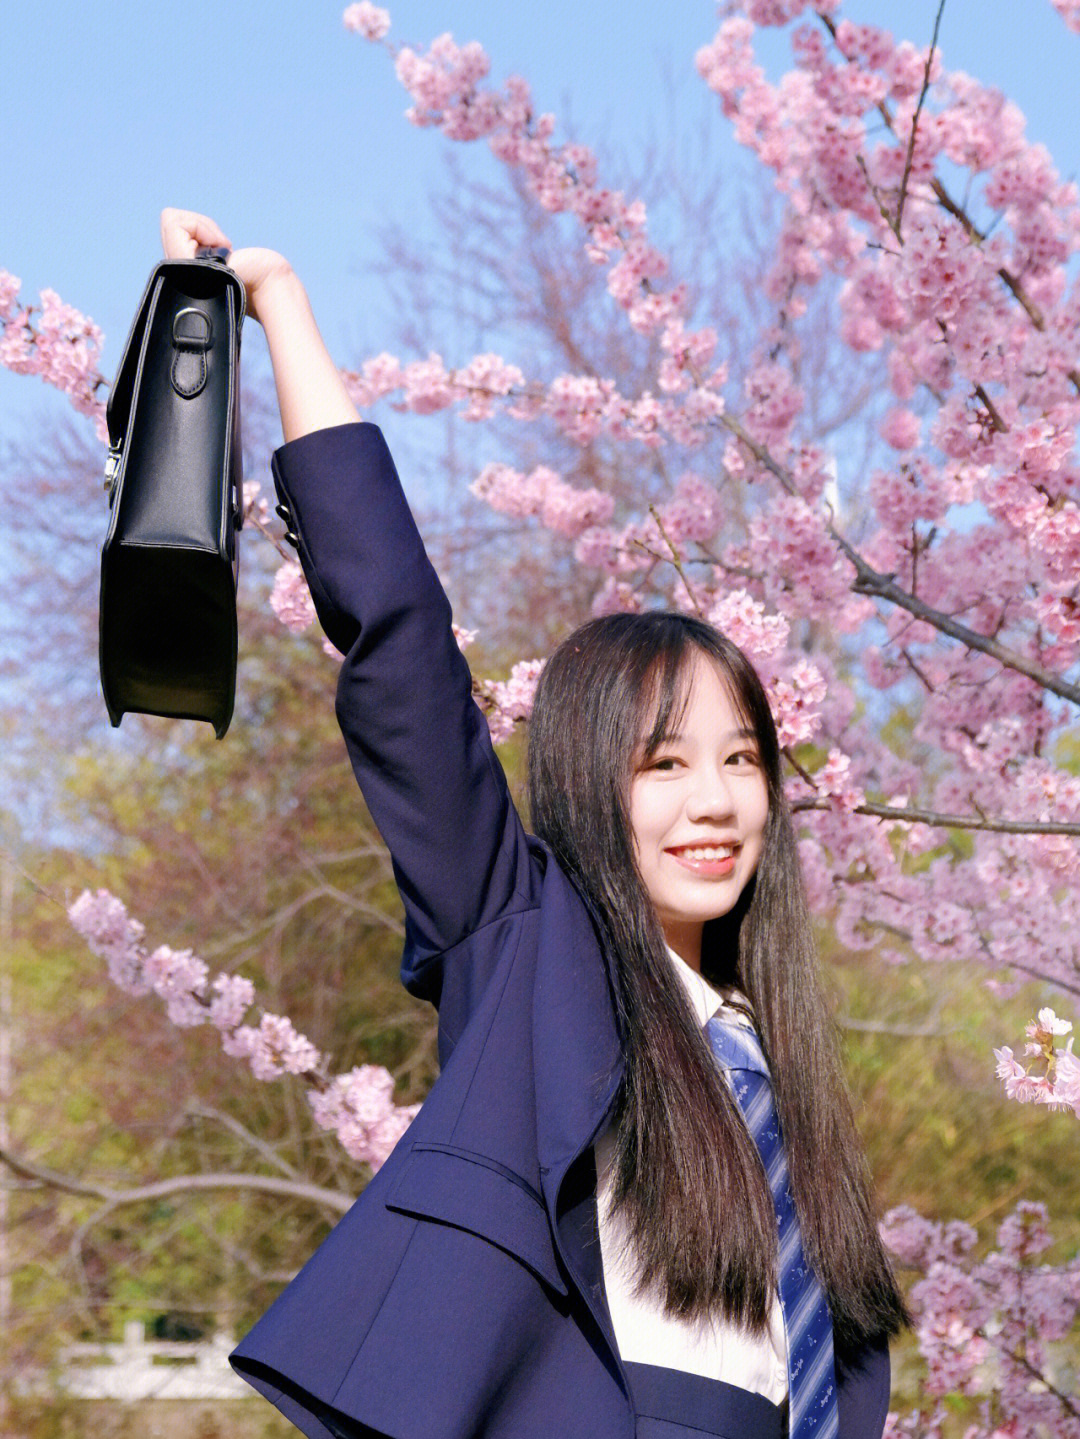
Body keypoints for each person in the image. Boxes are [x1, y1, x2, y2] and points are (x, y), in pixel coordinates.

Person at [160, 209, 908, 1439]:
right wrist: (279, 300)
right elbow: (398, 644)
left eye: (741, 758)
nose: (715, 800)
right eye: (663, 762)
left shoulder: (772, 1050)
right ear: (583, 778)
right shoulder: (524, 946)